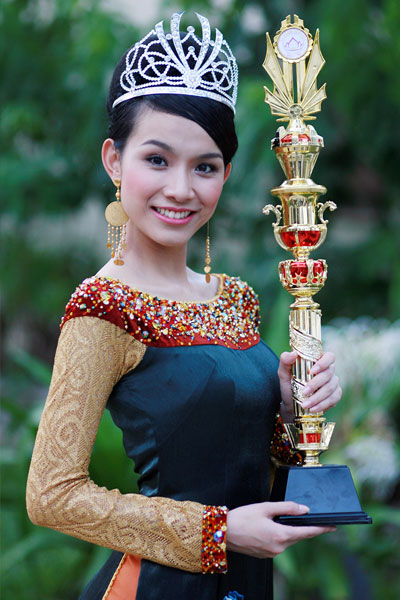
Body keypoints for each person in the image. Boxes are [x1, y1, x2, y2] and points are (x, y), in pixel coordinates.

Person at [26, 12, 342, 600]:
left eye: (205, 167)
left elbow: (240, 455)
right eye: (156, 159)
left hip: (247, 584)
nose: (180, 188)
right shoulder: (105, 308)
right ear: (113, 161)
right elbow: (52, 495)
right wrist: (218, 532)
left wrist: (296, 414)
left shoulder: (235, 299)